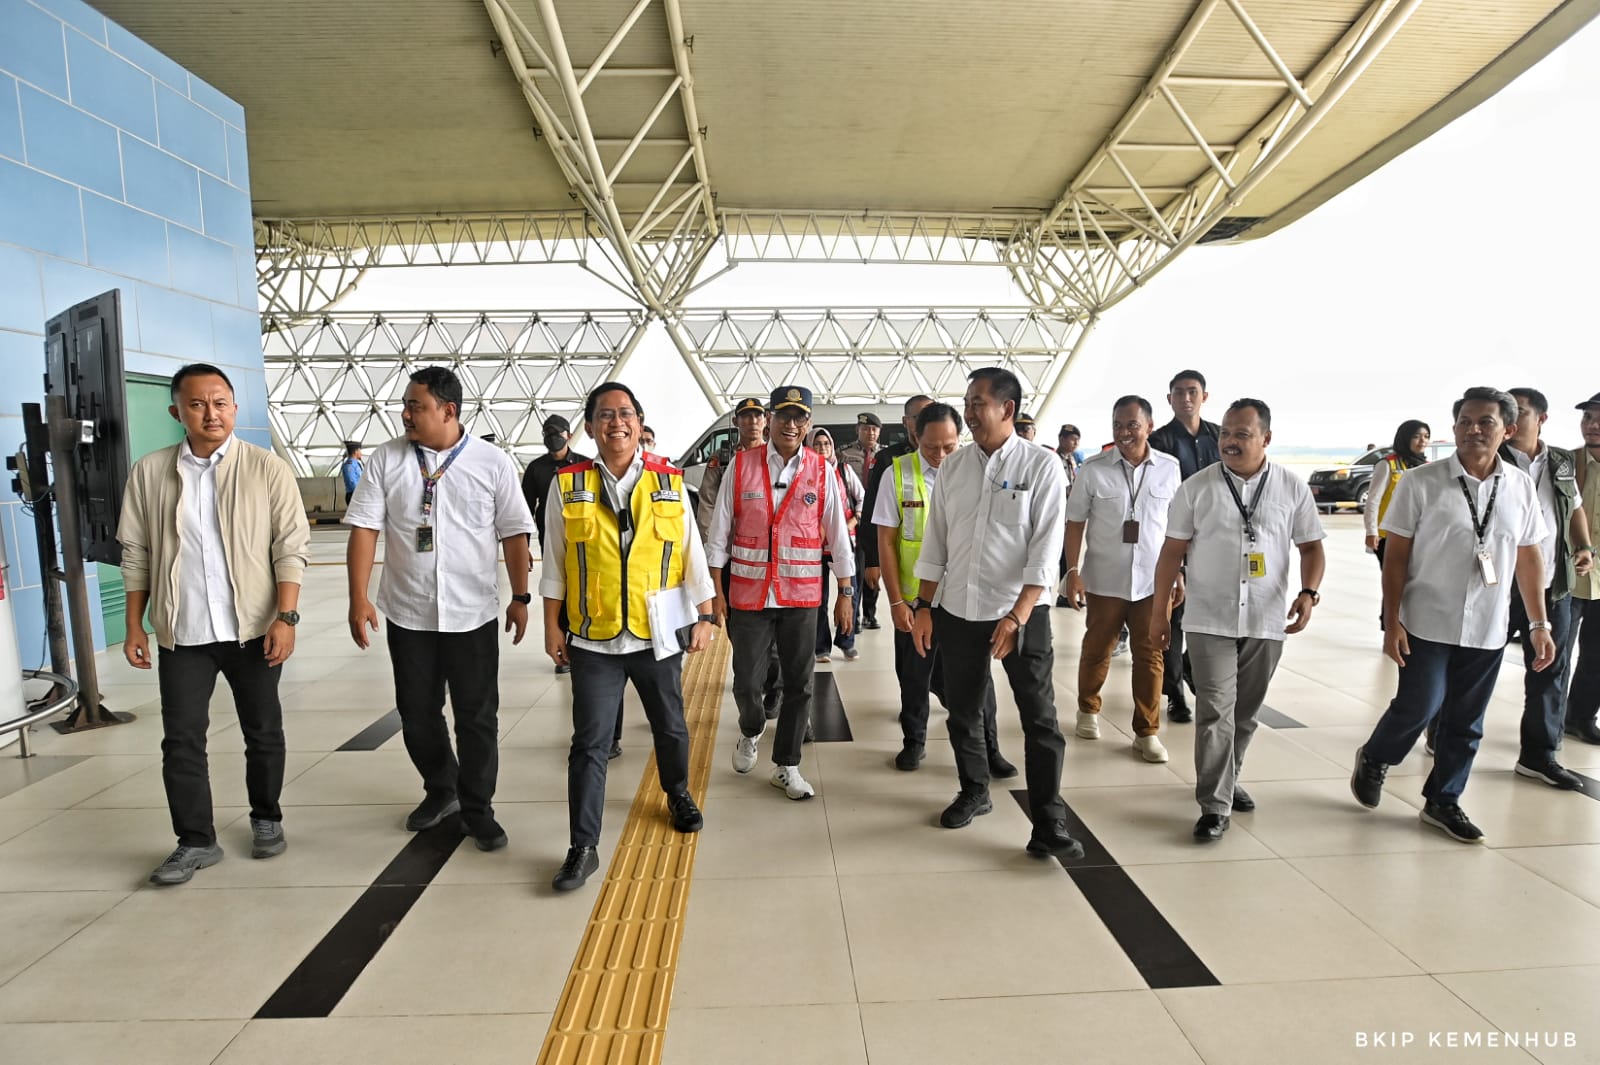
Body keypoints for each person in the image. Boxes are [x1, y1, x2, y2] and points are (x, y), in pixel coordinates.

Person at [119, 363, 311, 885]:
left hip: (252, 630)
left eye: (221, 402)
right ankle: (195, 840)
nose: (212, 413)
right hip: (184, 635)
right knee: (181, 740)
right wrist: (135, 626)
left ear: (234, 406)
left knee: (264, 731)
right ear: (176, 411)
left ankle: (266, 818)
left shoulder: (265, 468)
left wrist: (285, 616)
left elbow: (290, 547)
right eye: (198, 404)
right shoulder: (150, 472)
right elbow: (136, 554)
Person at [1349, 388, 1553, 844]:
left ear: (1509, 430)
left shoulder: (1518, 486)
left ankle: (1444, 799)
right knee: (1420, 704)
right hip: (1426, 618)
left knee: (1466, 720)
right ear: (1454, 427)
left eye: (1485, 422)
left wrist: (1539, 624)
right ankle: (1378, 756)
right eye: (1465, 421)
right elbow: (1396, 555)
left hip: (1488, 623)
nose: (1474, 430)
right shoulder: (1422, 483)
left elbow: (1529, 557)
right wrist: (1392, 621)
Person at [346, 366, 536, 852]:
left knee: (477, 717)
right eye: (405, 405)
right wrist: (358, 597)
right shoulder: (387, 460)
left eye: (416, 406)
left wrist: (519, 596)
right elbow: (365, 529)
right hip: (408, 611)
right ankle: (440, 787)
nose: (405, 414)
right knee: (417, 713)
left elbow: (515, 532)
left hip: (472, 614)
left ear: (449, 411)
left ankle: (479, 809)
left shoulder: (492, 462)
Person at [540, 382, 714, 892]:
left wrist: (704, 615)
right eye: (604, 415)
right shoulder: (567, 484)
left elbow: (691, 553)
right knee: (589, 745)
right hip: (594, 638)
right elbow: (554, 561)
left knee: (672, 729)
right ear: (590, 427)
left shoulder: (669, 480)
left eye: (624, 414)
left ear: (639, 422)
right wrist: (552, 623)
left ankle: (677, 792)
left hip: (655, 633)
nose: (615, 422)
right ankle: (583, 845)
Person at [910, 368, 1080, 858]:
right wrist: (924, 605)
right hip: (958, 610)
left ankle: (1048, 821)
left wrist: (1018, 615)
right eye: (967, 400)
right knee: (963, 710)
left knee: (1040, 719)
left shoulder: (1041, 468)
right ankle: (974, 790)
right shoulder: (955, 469)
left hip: (1020, 614)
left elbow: (1046, 552)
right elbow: (935, 542)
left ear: (1006, 409)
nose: (968, 411)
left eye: (977, 402)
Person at [1151, 398, 1325, 841]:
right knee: (1215, 711)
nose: (1229, 441)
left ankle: (1227, 778)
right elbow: (1171, 551)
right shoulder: (1198, 487)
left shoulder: (1290, 487)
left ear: (1265, 439)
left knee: (1245, 715)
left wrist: (1308, 593)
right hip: (1209, 617)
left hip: (1266, 617)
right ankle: (1214, 805)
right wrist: (1159, 614)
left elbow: (1311, 546)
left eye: (1241, 434)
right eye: (1225, 433)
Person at [708, 386, 855, 800]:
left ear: (808, 423)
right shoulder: (740, 466)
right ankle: (751, 729)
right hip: (750, 596)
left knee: (800, 683)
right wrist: (715, 591)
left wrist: (846, 590)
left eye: (799, 417)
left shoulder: (822, 470)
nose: (791, 424)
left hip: (801, 597)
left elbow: (838, 537)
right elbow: (719, 535)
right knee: (746, 684)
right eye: (784, 416)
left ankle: (787, 765)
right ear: (769, 419)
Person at [874, 402, 1014, 775]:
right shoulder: (897, 474)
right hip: (917, 598)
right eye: (931, 447)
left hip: (967, 598)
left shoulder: (977, 472)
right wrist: (896, 601)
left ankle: (990, 747)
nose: (939, 455)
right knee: (915, 675)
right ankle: (913, 741)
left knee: (978, 680)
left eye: (949, 447)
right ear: (915, 436)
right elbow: (885, 542)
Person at [1062, 396, 1182, 764]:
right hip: (1104, 579)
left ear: (1149, 425)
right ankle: (1087, 709)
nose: (1125, 432)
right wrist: (1071, 572)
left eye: (1132, 424)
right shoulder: (1094, 469)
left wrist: (1179, 573)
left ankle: (1146, 731)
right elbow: (1075, 522)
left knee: (1151, 655)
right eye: (1118, 424)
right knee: (1097, 648)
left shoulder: (1169, 468)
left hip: (1152, 580)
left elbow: (1176, 527)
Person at [1499, 388, 1592, 789]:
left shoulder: (1560, 461)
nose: (1510, 420)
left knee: (1551, 668)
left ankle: (1539, 755)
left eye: (1518, 412)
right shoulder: (1490, 458)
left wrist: (1584, 546)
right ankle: (1443, 728)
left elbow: (1573, 507)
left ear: (1542, 419)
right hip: (1498, 587)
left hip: (1554, 584)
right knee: (1470, 665)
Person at [1148, 369, 1222, 724]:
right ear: (1170, 399)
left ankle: (1191, 668)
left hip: (1216, 541)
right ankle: (1175, 693)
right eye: (1179, 392)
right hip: (1177, 539)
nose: (1186, 398)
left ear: (1204, 396)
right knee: (1174, 618)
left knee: (1210, 615)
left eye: (1193, 392)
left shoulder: (1221, 438)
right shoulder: (1160, 441)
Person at [809, 427, 864, 663]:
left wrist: (853, 520)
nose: (823, 448)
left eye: (826, 444)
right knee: (818, 598)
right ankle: (820, 647)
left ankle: (846, 641)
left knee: (848, 593)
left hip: (843, 543)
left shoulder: (844, 470)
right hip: (814, 546)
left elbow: (862, 497)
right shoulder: (805, 471)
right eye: (817, 444)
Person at [1565, 392, 1600, 744]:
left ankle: (1581, 716)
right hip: (1569, 575)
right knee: (1556, 656)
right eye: (1588, 417)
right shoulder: (1565, 464)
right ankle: (1547, 724)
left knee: (1597, 657)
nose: (1592, 425)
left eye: (1599, 419)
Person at [839, 412, 885, 630]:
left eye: (874, 429)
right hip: (854, 521)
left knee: (874, 566)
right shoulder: (844, 454)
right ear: (858, 430)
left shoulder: (885, 456)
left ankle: (870, 613)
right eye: (866, 429)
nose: (870, 432)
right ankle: (853, 615)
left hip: (878, 520)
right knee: (856, 568)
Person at [1364, 420, 1431, 570]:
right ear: (1405, 438)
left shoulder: (1427, 467)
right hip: (1388, 535)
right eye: (1417, 436)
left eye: (1426, 436)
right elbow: (1373, 500)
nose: (1423, 441)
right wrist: (1371, 531)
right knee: (1394, 580)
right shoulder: (1388, 464)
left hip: (1418, 534)